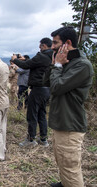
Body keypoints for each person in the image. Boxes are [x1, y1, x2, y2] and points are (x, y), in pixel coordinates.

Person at [48, 26, 94, 187]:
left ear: (67, 43)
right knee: (62, 161)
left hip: (70, 125)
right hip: (61, 121)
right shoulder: (67, 62)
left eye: (55, 43)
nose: (52, 46)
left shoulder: (82, 65)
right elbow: (46, 82)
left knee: (70, 167)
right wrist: (55, 64)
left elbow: (56, 87)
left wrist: (58, 67)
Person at [11, 38, 53, 147]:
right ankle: (43, 139)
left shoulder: (42, 56)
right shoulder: (52, 56)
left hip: (38, 89)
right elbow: (32, 63)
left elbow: (25, 65)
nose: (39, 48)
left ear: (43, 45)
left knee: (32, 114)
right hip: (46, 89)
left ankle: (30, 140)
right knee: (42, 114)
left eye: (40, 46)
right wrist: (25, 59)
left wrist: (15, 59)